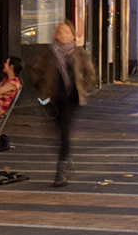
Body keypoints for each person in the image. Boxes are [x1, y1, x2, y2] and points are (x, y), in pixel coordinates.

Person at [30, 21, 95, 187]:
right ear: (55, 35)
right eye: (60, 32)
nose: (63, 35)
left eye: (67, 32)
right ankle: (65, 157)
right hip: (53, 99)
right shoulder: (48, 54)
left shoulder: (79, 53)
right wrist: (43, 89)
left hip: (72, 100)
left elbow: (90, 73)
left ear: (73, 35)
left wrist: (84, 89)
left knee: (64, 131)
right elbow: (36, 73)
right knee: (57, 133)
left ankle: (61, 171)